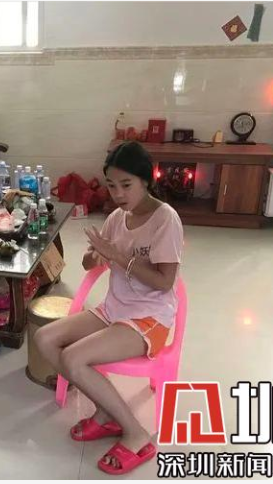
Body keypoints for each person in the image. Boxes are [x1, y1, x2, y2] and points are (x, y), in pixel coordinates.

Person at [34, 141, 184, 475]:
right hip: (114, 309)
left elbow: (164, 282)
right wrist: (95, 255)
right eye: (112, 185)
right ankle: (106, 413)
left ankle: (136, 433)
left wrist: (118, 255)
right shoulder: (117, 217)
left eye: (126, 185)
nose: (118, 194)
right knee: (45, 338)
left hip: (148, 318)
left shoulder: (165, 219)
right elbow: (91, 264)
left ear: (146, 179)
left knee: (73, 358)